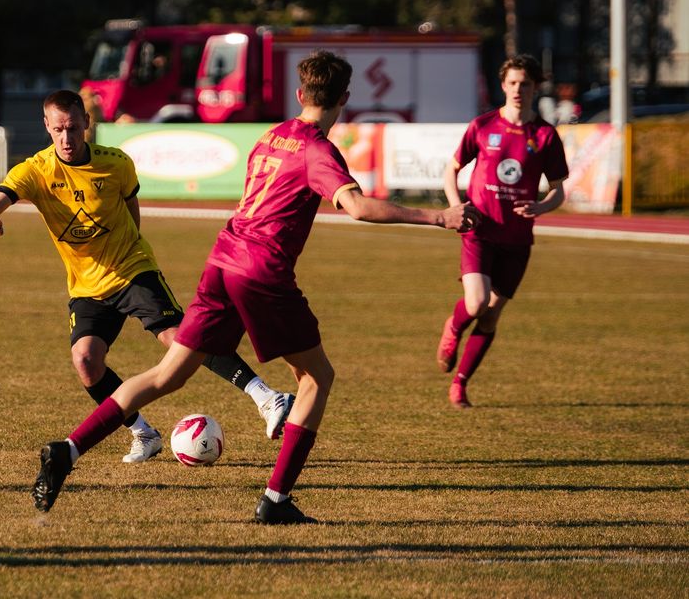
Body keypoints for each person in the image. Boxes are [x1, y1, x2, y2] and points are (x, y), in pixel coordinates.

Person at [31, 52, 478, 523]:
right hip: (261, 270)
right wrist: (439, 217)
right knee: (317, 378)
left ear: (300, 94)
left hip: (221, 260)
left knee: (168, 374)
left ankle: (68, 449)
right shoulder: (318, 150)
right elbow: (358, 207)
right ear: (344, 98)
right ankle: (276, 501)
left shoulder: (271, 136)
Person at [0, 89, 294, 464]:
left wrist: (131, 249)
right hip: (86, 286)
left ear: (86, 123)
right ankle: (144, 433)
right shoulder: (34, 171)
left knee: (179, 338)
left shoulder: (116, 163)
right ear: (46, 126)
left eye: (73, 128)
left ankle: (267, 398)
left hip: (132, 269)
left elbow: (131, 207)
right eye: (58, 129)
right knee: (86, 360)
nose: (66, 137)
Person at [437, 54, 568, 408]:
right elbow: (451, 170)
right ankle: (454, 326)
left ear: (535, 87)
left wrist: (541, 206)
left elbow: (558, 190)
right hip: (480, 231)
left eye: (525, 83)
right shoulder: (482, 126)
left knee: (492, 314)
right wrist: (456, 206)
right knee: (477, 302)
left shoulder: (545, 135)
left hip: (517, 239)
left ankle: (461, 384)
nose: (518, 89)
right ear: (503, 85)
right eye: (512, 83)